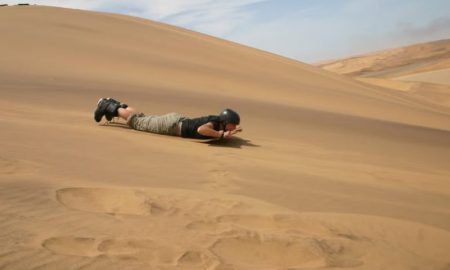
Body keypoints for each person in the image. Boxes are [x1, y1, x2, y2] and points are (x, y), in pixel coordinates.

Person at [94, 98, 242, 140]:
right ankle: (105, 105)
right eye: (233, 125)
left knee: (142, 118)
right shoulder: (215, 123)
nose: (234, 127)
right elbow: (201, 129)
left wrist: (228, 133)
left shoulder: (219, 123)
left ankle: (117, 105)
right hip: (172, 125)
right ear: (225, 121)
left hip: (176, 121)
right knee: (137, 122)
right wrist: (220, 135)